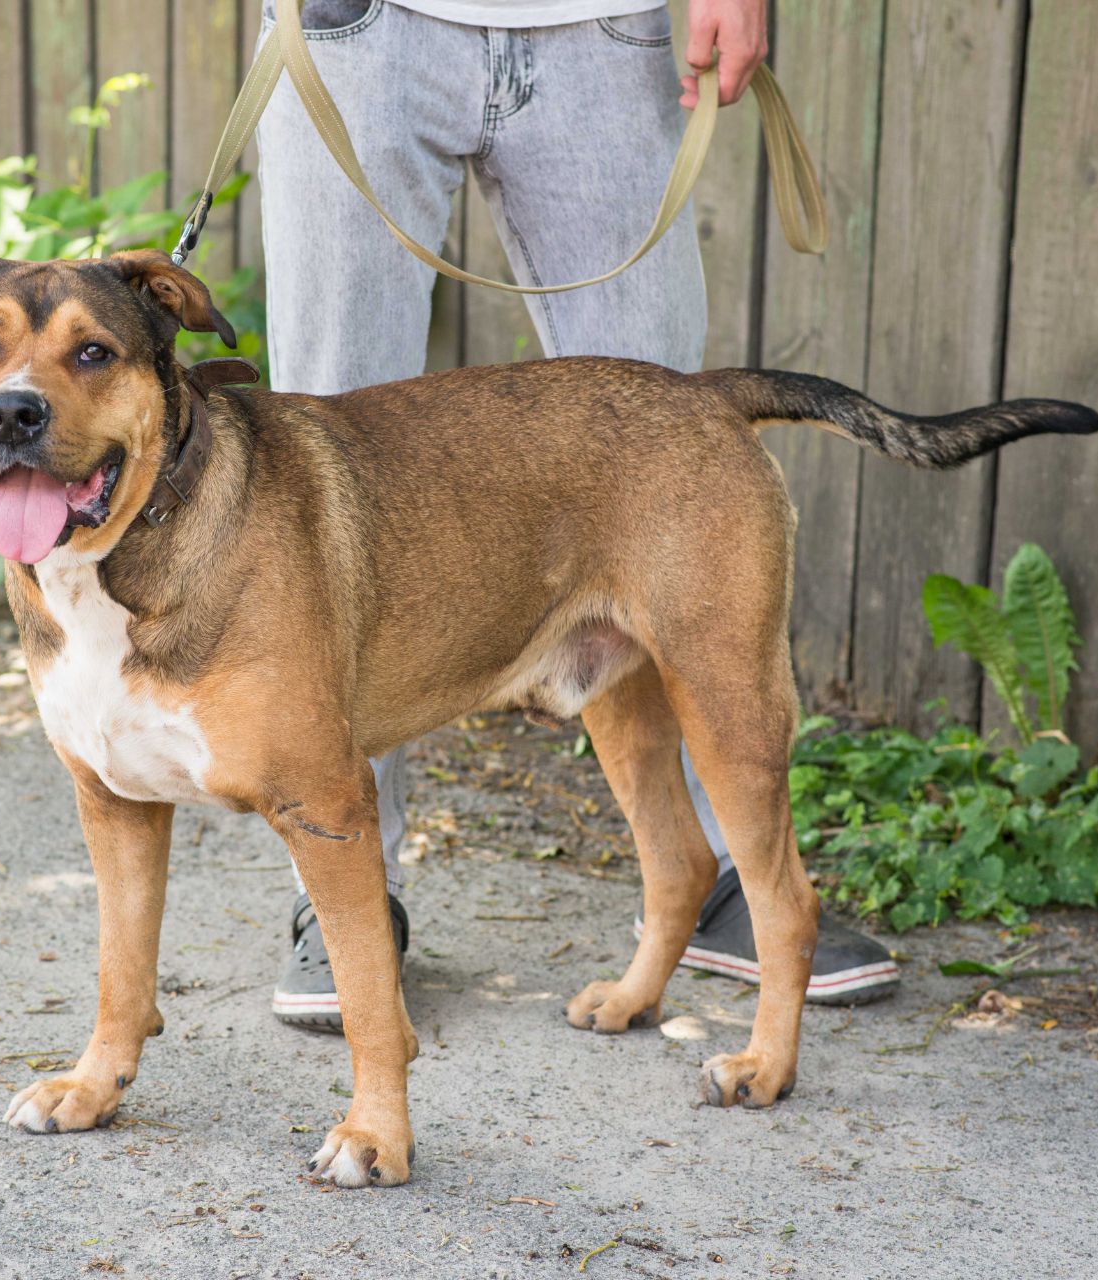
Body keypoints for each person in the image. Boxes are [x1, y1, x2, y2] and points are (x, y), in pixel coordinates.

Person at [254, 0, 900, 1031]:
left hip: (607, 23)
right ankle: (341, 895)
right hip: (359, 29)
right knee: (325, 473)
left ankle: (732, 876)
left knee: (659, 462)